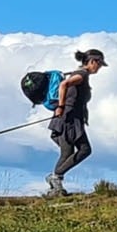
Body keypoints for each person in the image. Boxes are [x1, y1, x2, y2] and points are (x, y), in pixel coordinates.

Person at [46, 49, 105, 196]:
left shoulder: (80, 74)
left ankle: (55, 188)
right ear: (92, 62)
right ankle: (55, 176)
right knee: (85, 149)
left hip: (69, 118)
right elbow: (63, 85)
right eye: (99, 64)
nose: (99, 68)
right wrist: (61, 107)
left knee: (67, 153)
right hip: (69, 119)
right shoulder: (81, 75)